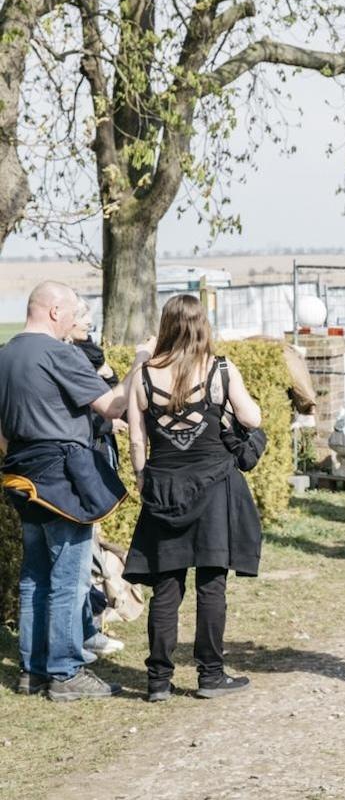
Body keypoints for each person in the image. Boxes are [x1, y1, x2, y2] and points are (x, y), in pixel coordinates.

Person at [0, 282, 148, 701]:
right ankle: (65, 673)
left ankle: (33, 670)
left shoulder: (5, 354)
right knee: (68, 577)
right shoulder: (58, 353)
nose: (73, 321)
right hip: (62, 478)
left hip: (21, 475)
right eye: (72, 312)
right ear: (52, 311)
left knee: (35, 576)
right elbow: (113, 406)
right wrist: (139, 361)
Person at [124, 294, 264, 702]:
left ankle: (157, 681)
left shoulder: (143, 376)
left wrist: (141, 480)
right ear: (202, 326)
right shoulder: (221, 369)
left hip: (164, 487)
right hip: (214, 484)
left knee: (165, 587)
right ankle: (210, 675)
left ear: (166, 327)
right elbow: (252, 419)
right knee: (211, 584)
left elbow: (136, 439)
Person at [66, 298, 126, 662]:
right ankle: (81, 635)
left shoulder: (89, 353)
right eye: (84, 319)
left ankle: (88, 628)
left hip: (93, 454)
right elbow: (88, 410)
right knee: (76, 563)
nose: (89, 324)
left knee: (88, 551)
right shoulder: (69, 358)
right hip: (79, 459)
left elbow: (109, 390)